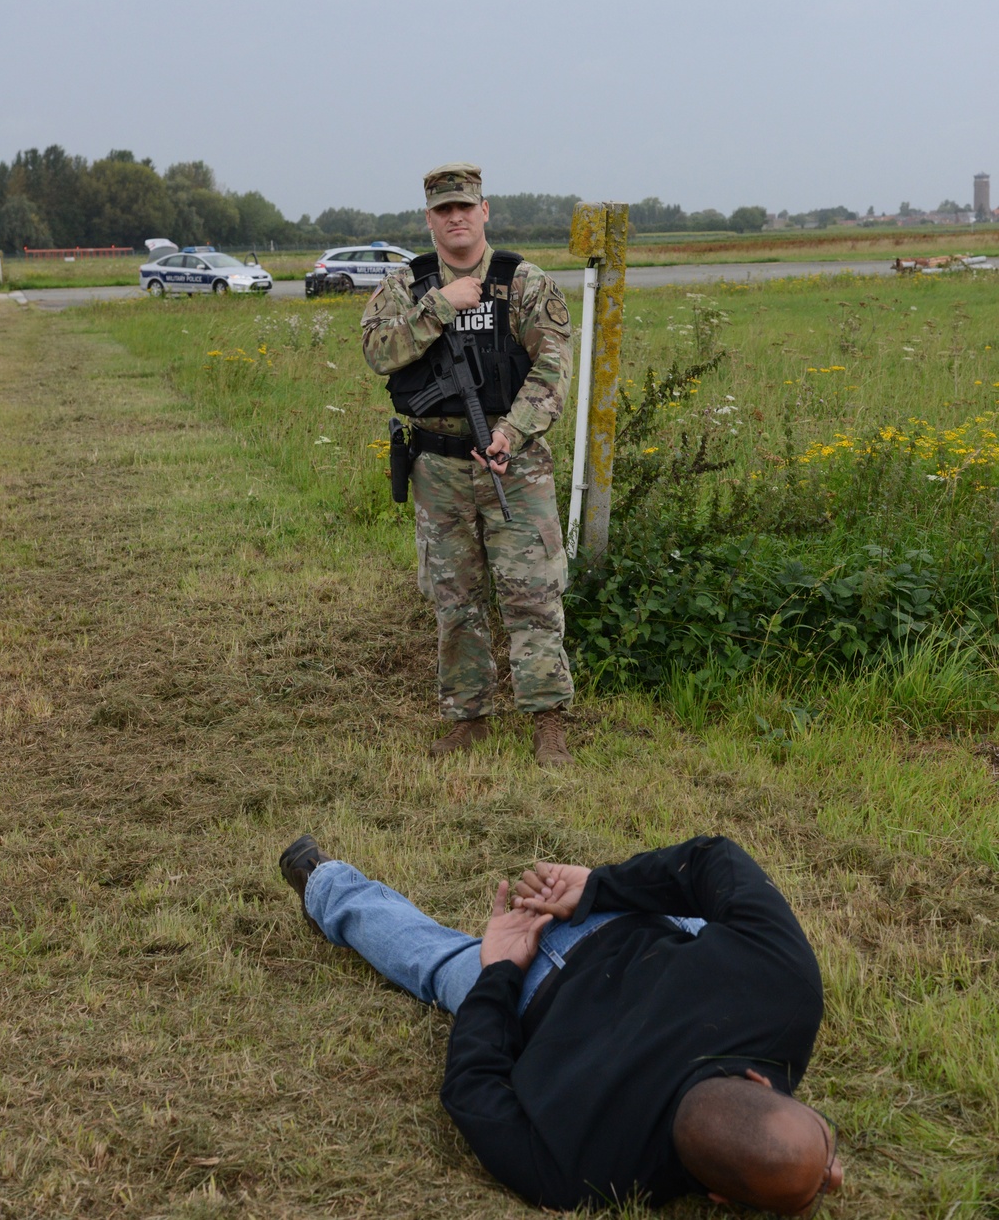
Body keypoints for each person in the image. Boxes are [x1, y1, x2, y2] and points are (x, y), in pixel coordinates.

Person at [279, 831, 844, 1215]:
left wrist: (596, 891)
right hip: (533, 992)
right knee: (432, 962)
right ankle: (324, 883)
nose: (837, 1177)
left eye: (814, 1189)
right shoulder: (589, 1175)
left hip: (615, 925)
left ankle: (324, 878)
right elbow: (472, 1089)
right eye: (828, 1146)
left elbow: (712, 860)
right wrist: (498, 977)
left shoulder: (788, 992)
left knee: (715, 922)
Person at [361, 162, 576, 765]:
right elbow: (377, 351)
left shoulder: (523, 283)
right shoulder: (407, 286)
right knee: (454, 598)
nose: (455, 218)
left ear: (484, 212)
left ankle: (548, 720)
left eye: (465, 207)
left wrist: (511, 432)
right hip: (438, 466)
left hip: (516, 464)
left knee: (533, 593)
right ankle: (468, 717)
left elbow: (553, 372)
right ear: (429, 220)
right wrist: (439, 307)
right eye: (443, 210)